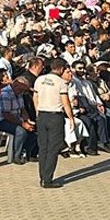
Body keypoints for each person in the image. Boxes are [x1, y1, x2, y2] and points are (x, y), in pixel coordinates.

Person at [33, 58, 74, 189]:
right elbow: (65, 102)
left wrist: (37, 112)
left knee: (43, 147)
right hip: (55, 116)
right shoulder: (61, 83)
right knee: (53, 149)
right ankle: (48, 179)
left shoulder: (39, 80)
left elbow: (35, 97)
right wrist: (71, 117)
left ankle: (42, 176)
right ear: (61, 69)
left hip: (42, 115)